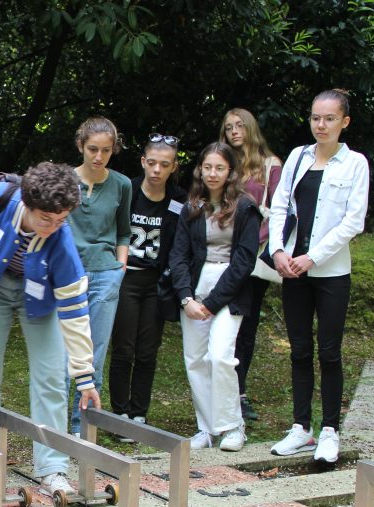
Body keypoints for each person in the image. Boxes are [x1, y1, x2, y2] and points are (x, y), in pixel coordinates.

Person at [0, 162, 101, 497]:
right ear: (27, 204)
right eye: (45, 218)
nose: (52, 227)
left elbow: (75, 314)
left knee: (50, 380)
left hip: (40, 299)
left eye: (61, 219)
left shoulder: (62, 244)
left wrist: (84, 375)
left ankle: (52, 466)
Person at [268, 89, 369, 464]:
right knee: (298, 349)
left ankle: (329, 430)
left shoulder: (355, 163)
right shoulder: (297, 157)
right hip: (292, 269)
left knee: (328, 351)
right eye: (315, 118)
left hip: (330, 272)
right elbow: (279, 207)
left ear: (344, 122)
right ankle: (300, 428)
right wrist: (279, 250)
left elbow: (352, 222)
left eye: (329, 118)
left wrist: (312, 257)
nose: (320, 125)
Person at [169, 142, 260, 452]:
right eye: (207, 167)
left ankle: (233, 427)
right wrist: (186, 298)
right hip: (194, 290)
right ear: (200, 170)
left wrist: (211, 303)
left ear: (230, 171)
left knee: (220, 356)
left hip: (228, 290)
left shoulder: (246, 208)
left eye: (219, 167)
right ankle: (206, 428)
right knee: (195, 360)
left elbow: (245, 261)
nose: (212, 173)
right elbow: (178, 256)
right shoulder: (191, 207)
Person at [108, 134, 186, 437]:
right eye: (151, 163)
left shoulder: (178, 198)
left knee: (147, 350)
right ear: (143, 161)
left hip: (157, 281)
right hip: (127, 277)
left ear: (173, 167)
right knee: (123, 348)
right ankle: (119, 414)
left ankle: (139, 413)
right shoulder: (127, 190)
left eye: (164, 165)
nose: (156, 170)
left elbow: (181, 241)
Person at [67, 117, 131, 435]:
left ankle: (82, 428)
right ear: (81, 145)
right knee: (65, 350)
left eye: (106, 150)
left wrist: (120, 267)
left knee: (96, 351)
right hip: (69, 273)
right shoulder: (64, 180)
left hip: (106, 273)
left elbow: (124, 231)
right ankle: (57, 425)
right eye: (92, 149)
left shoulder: (122, 184)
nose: (98, 156)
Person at [220, 108, 282, 422]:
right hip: (222, 252)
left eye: (239, 125)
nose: (233, 131)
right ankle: (221, 389)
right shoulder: (223, 164)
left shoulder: (271, 165)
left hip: (255, 254)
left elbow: (278, 211)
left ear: (250, 127)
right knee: (221, 324)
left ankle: (240, 392)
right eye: (228, 127)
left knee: (246, 324)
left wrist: (246, 244)